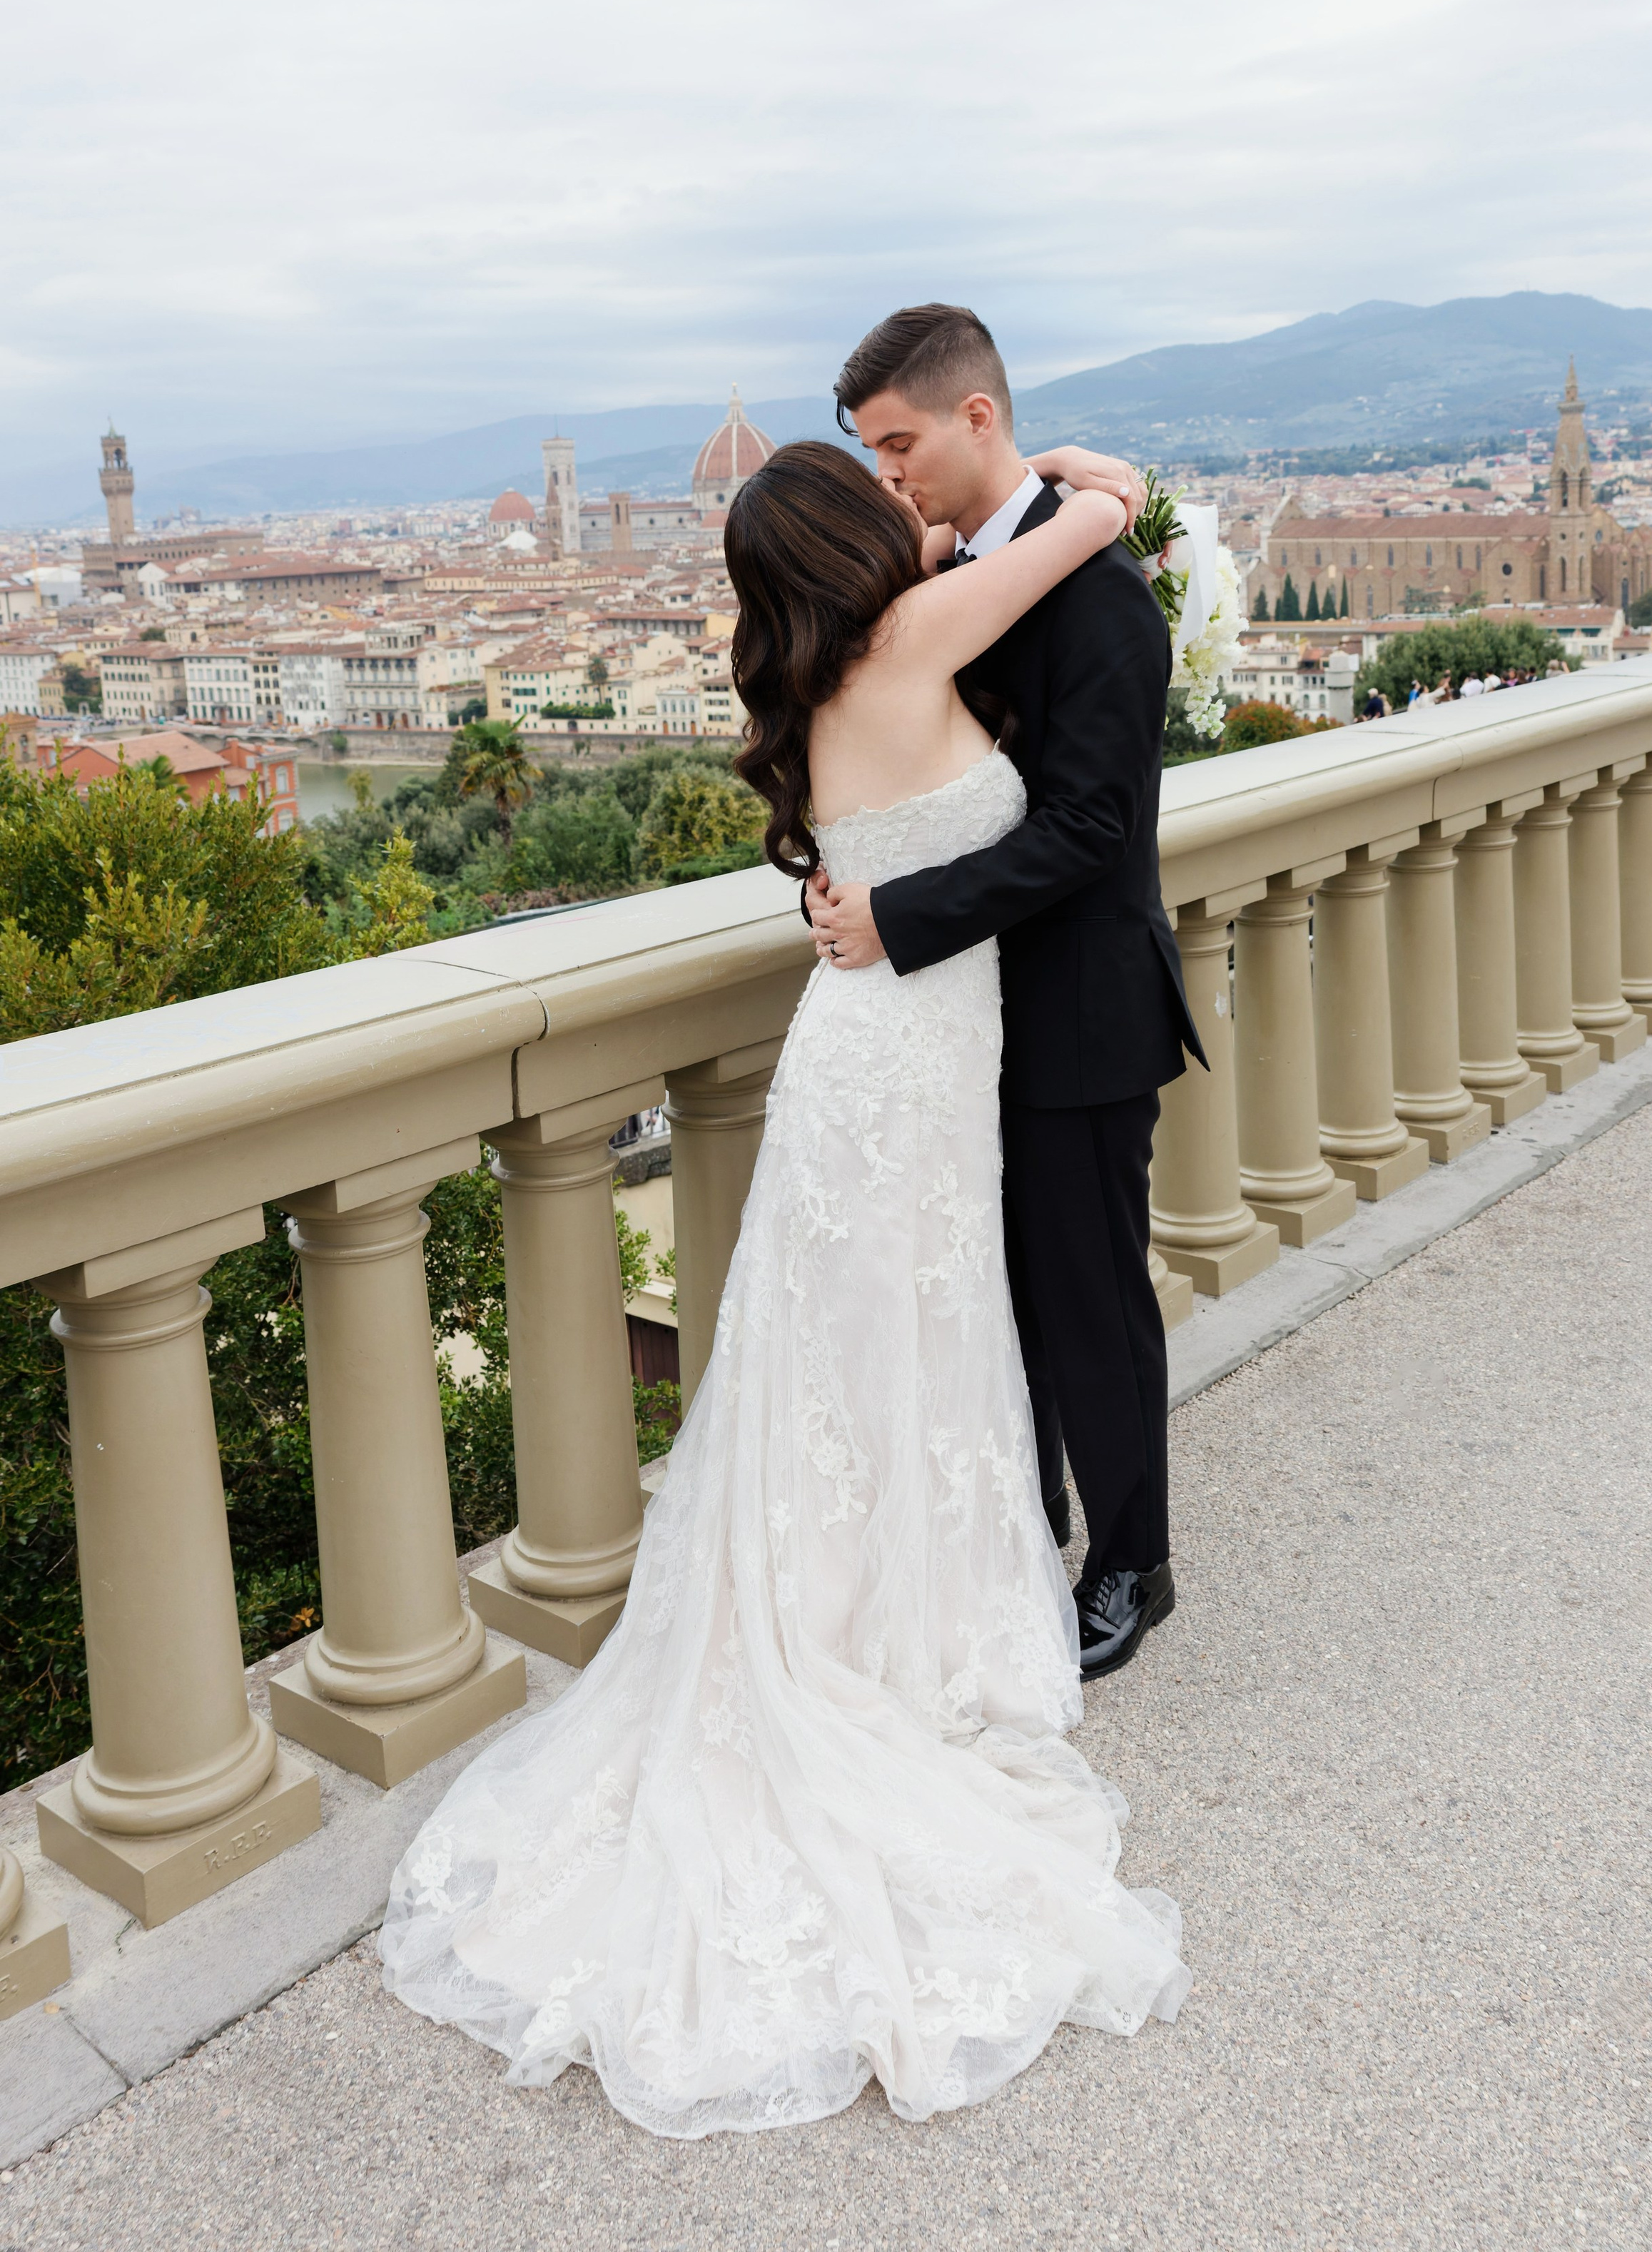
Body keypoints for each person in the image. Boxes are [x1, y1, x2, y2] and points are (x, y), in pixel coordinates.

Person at [381, 418, 1190, 2136]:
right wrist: (1074, 469)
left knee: (849, 1352)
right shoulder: (920, 630)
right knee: (904, 1337)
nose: (904, 497)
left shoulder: (828, 669)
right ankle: (908, 1622)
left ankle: (854, 1607)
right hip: (904, 1066)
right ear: (847, 543)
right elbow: (1104, 514)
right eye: (873, 485)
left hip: (873, 1056)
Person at [808, 305, 1205, 1682]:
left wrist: (897, 919)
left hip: (1077, 1013)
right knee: (990, 1298)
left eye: (899, 443)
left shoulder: (1104, 597)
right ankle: (1021, 1538)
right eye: (869, 452)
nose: (887, 475)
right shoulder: (938, 579)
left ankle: (1134, 1563)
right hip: (950, 1022)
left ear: (977, 417)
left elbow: (1093, 829)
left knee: (1087, 1300)